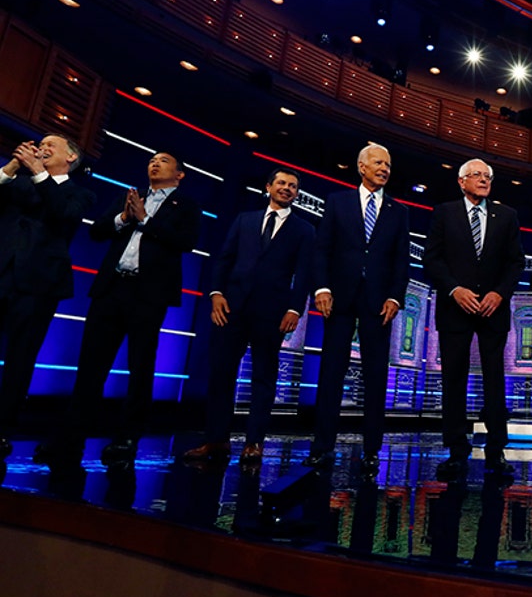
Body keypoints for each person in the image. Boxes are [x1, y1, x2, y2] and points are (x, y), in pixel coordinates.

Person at [39, 151, 200, 468]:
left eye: (165, 160)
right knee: (90, 366)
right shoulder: (129, 197)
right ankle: (71, 436)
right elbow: (96, 232)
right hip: (112, 289)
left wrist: (146, 220)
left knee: (140, 367)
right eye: (152, 160)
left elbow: (185, 242)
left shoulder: (188, 206)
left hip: (149, 295)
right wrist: (124, 218)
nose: (155, 163)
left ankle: (127, 437)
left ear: (179, 174)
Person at [182, 168, 315, 466]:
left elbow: (305, 274)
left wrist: (295, 309)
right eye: (281, 183)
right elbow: (225, 259)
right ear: (268, 186)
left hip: (273, 313)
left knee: (264, 378)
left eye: (292, 186)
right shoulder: (245, 220)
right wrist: (216, 293)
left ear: (297, 193)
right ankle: (215, 439)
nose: (286, 188)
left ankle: (254, 442)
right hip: (231, 309)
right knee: (220, 374)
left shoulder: (304, 230)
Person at [307, 143, 410, 476]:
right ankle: (322, 447)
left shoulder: (398, 210)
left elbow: (401, 260)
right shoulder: (337, 201)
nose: (385, 168)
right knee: (331, 373)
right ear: (361, 167)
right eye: (379, 162)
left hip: (378, 303)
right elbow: (322, 249)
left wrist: (395, 297)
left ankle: (371, 450)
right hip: (339, 297)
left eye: (389, 164)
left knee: (376, 375)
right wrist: (321, 288)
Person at [423, 158, 525, 481]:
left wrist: (500, 293)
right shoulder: (444, 213)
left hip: (493, 310)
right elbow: (432, 259)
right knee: (454, 377)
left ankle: (496, 449)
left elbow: (516, 263)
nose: (483, 179)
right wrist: (454, 289)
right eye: (476, 175)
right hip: (456, 308)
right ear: (461, 181)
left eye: (488, 176)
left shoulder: (507, 216)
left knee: (495, 379)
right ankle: (456, 450)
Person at [0, 134, 94, 458]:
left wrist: (39, 173)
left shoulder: (79, 194)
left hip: (38, 286)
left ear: (70, 157)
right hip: (2, 275)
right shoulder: (18, 183)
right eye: (41, 142)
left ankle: (2, 429)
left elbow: (62, 216)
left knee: (19, 360)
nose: (43, 146)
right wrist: (13, 165)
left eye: (52, 145)